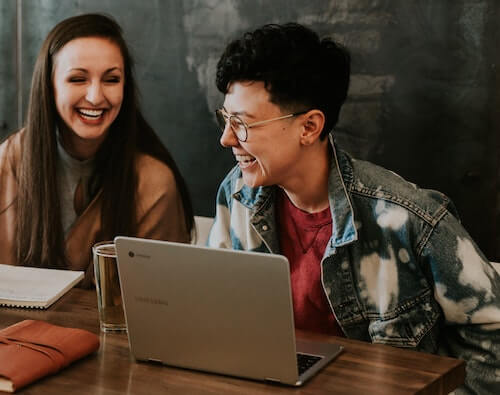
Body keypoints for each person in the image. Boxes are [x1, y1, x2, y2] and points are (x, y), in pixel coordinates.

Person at [208, 23, 500, 394]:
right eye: (225, 118)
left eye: (243, 124)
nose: (226, 138)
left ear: (310, 127)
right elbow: (218, 318)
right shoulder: (236, 195)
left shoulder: (408, 217)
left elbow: (494, 337)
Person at [0, 14, 194, 288]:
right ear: (49, 85)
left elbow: (163, 299)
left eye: (111, 79)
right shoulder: (8, 162)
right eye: (78, 79)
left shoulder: (153, 182)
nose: (95, 96)